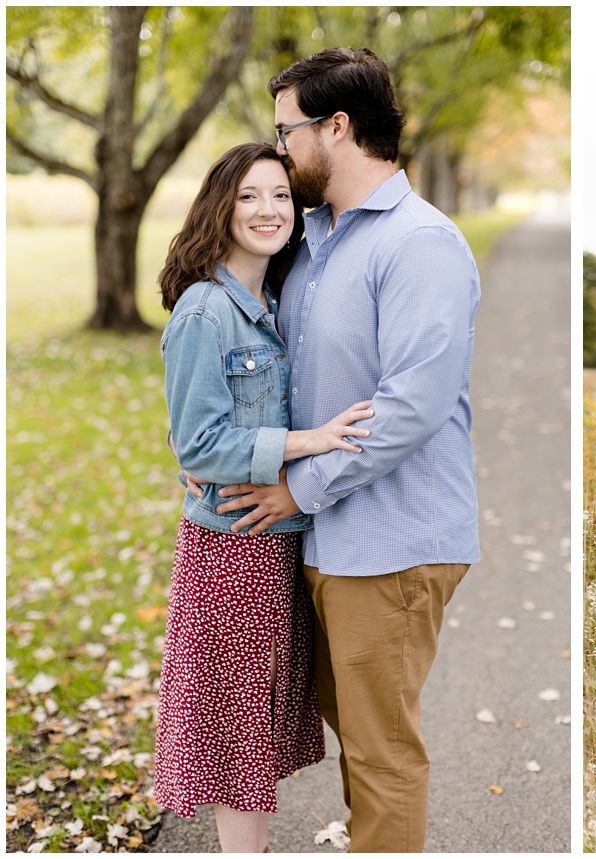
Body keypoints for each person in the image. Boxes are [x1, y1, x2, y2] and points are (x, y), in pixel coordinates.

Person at [208, 46, 482, 853]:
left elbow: (411, 407)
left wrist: (299, 488)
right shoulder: (317, 239)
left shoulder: (421, 243)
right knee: (355, 736)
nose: (280, 147)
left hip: (388, 541)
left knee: (380, 752)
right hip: (329, 535)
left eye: (287, 130)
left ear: (337, 127)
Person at [151, 141, 375, 852]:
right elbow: (199, 443)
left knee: (257, 727)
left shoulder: (272, 302)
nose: (268, 209)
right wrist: (310, 441)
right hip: (231, 552)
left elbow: (205, 427)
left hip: (277, 546)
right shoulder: (203, 312)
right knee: (236, 735)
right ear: (221, 206)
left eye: (281, 195)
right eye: (249, 195)